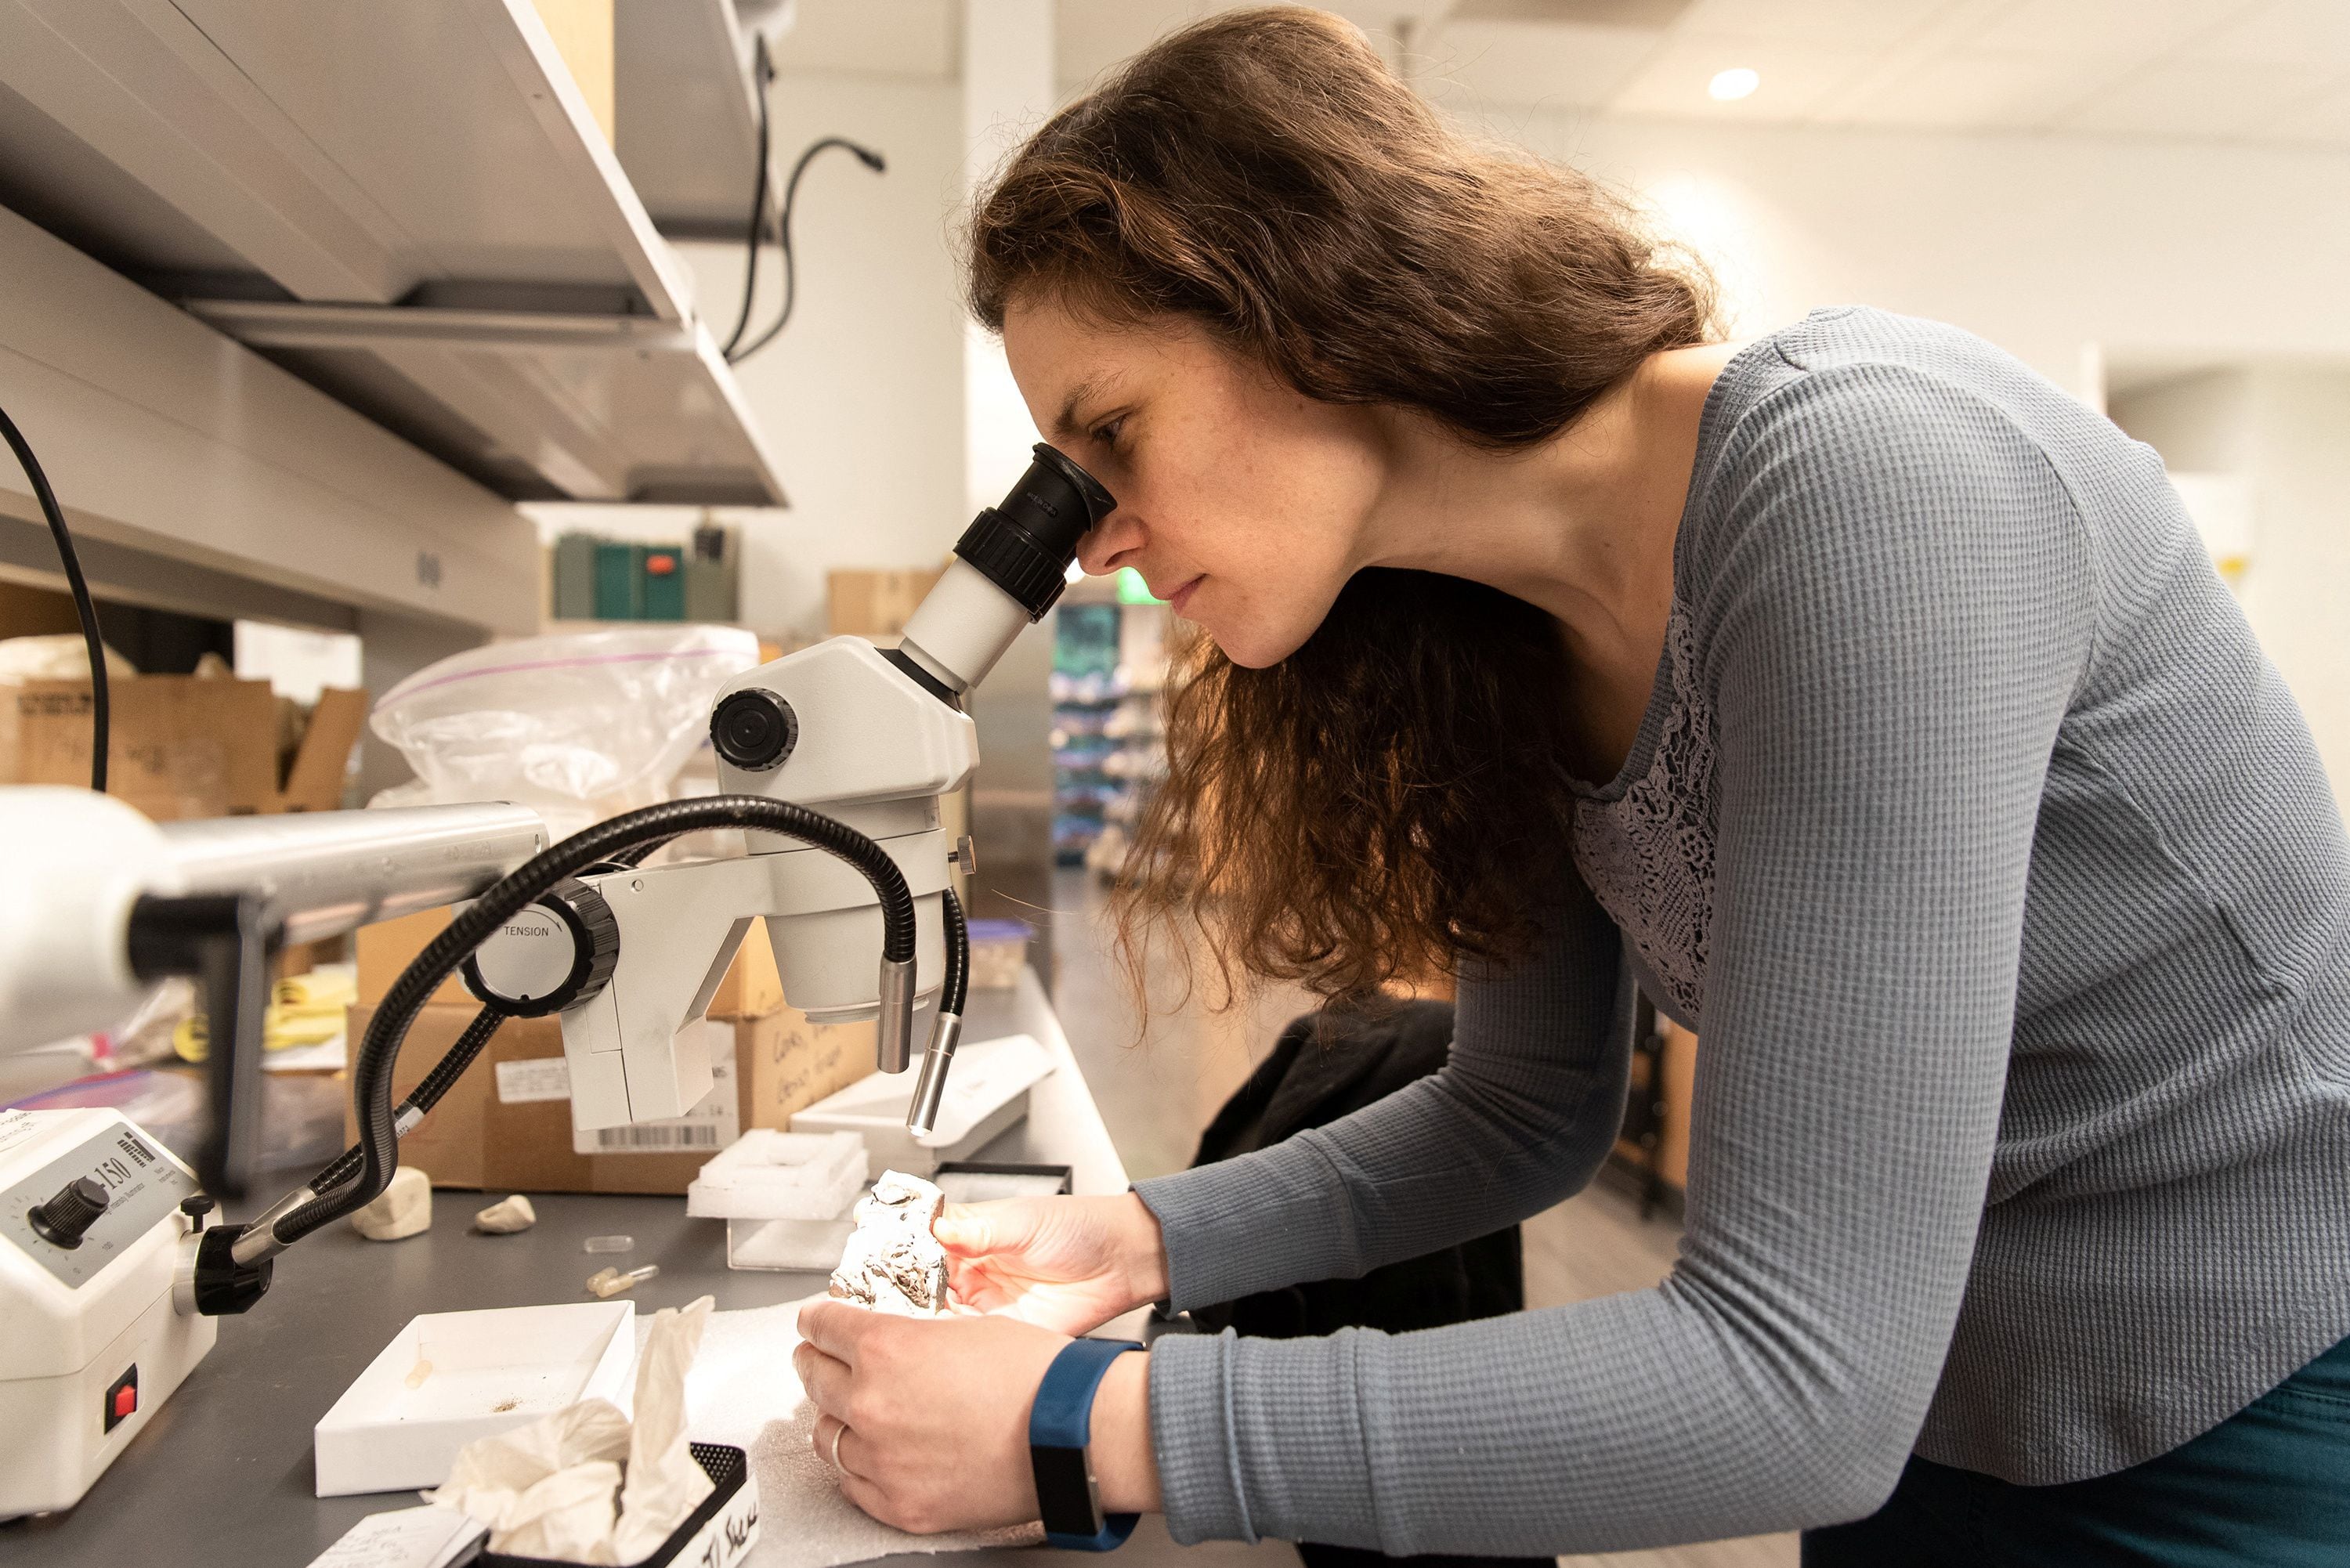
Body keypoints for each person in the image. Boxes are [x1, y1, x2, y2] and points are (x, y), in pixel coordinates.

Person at [789, 10, 2350, 1563]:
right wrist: (1123, 1235)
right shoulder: (1492, 634)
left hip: (2238, 1396)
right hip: (1930, 1402)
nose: (1096, 537)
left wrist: (1092, 1420)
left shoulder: (1876, 490)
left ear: (1314, 308)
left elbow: (1798, 1378)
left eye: (1111, 435)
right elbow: (1523, 1105)